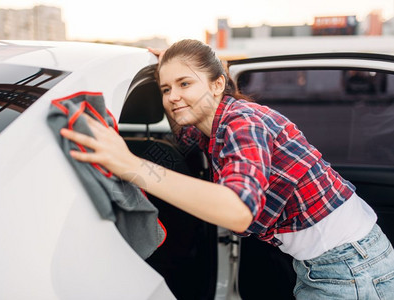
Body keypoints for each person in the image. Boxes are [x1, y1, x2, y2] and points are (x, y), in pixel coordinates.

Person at [60, 39, 394, 299]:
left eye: (185, 84)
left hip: (350, 267)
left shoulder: (242, 122)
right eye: (165, 88)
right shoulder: (212, 126)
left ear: (219, 84)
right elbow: (183, 132)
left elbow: (237, 212)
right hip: (333, 260)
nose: (173, 97)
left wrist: (130, 164)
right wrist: (172, 66)